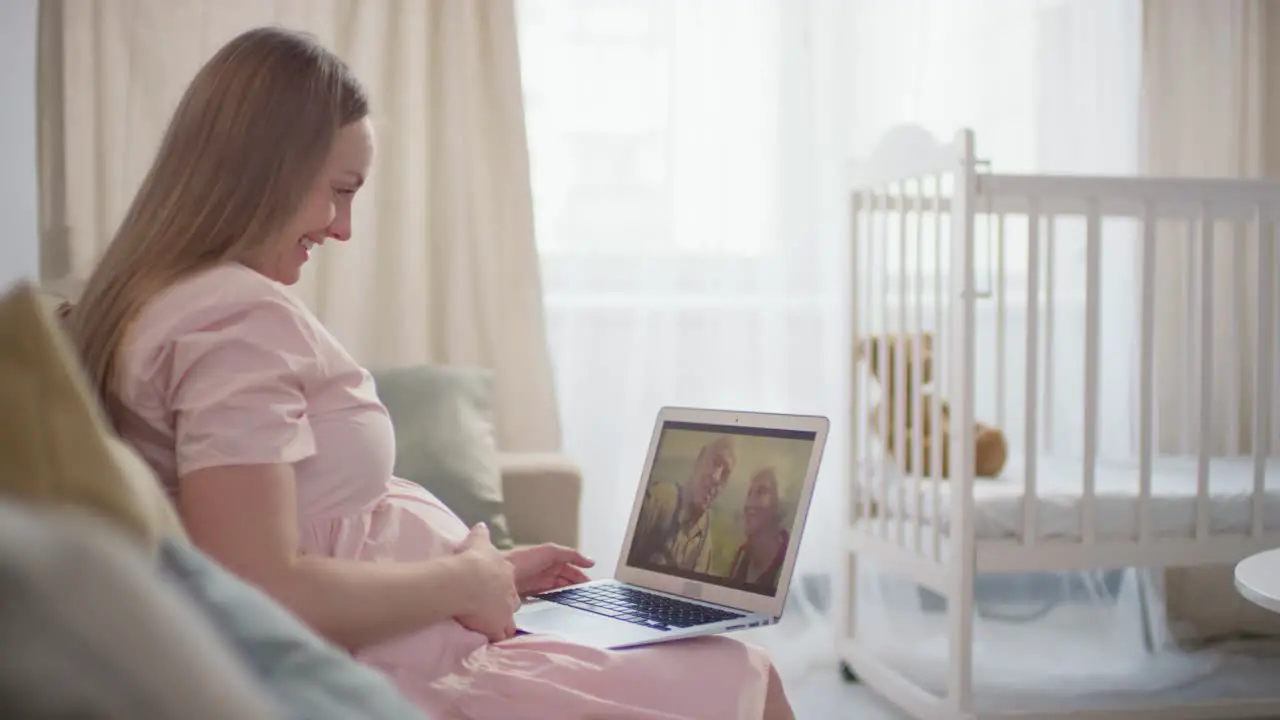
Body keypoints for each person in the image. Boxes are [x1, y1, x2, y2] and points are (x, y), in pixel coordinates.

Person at [65, 27, 794, 720]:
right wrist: (464, 580)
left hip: (426, 632)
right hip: (417, 670)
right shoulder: (234, 321)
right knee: (741, 674)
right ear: (267, 172)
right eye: (340, 188)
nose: (342, 227)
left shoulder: (170, 304)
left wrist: (493, 572)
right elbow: (262, 584)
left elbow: (301, 534)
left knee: (721, 663)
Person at [630, 435, 736, 575]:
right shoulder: (659, 501)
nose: (716, 477)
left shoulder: (705, 543)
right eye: (715, 462)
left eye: (725, 474)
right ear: (699, 460)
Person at [727, 467, 792, 595]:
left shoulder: (789, 564)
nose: (749, 504)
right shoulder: (741, 557)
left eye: (761, 492)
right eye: (749, 493)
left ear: (779, 505)